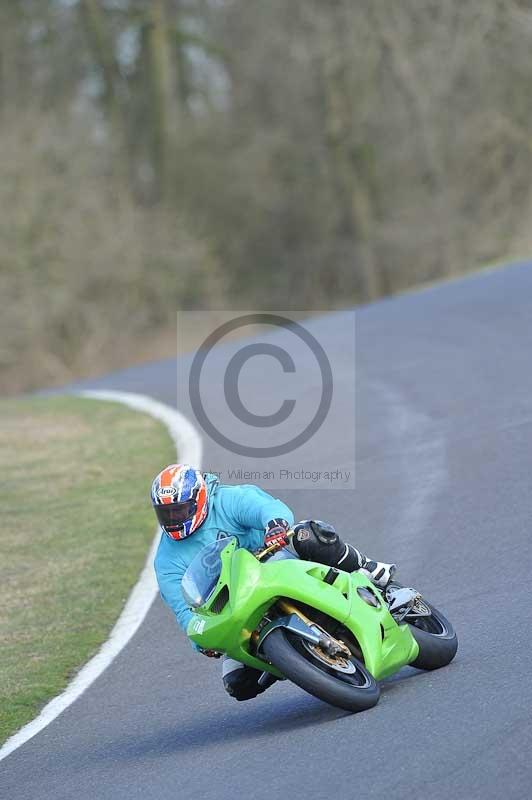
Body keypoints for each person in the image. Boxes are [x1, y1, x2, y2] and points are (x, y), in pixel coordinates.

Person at [153, 464, 396, 702]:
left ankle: (367, 568)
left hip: (273, 563)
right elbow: (184, 610)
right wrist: (201, 642)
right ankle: (291, 660)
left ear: (201, 498)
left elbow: (265, 508)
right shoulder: (165, 561)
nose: (174, 519)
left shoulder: (227, 499)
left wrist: (275, 525)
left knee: (307, 535)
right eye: (167, 514)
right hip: (232, 606)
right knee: (238, 684)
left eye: (181, 510)